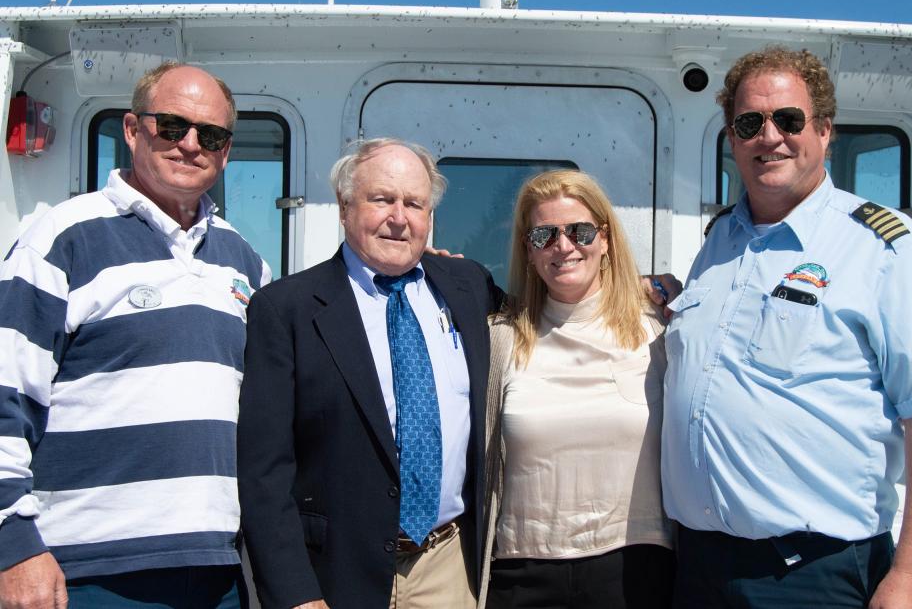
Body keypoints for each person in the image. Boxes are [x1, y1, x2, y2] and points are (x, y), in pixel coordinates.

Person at [662, 45, 912, 608]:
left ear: (824, 131)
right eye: (750, 123)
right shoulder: (719, 241)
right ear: (732, 138)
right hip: (698, 567)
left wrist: (911, 574)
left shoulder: (878, 244)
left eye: (788, 119)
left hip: (809, 574)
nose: (769, 136)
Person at [0, 62, 269, 608]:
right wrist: (12, 543)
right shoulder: (61, 239)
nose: (190, 145)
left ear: (226, 150)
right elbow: (6, 394)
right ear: (131, 129)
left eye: (210, 135)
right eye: (171, 126)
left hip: (218, 570)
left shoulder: (245, 263)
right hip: (88, 574)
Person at [237, 138, 503, 609]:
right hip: (336, 578)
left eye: (414, 203)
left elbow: (547, 314)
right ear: (344, 208)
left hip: (448, 568)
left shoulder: (469, 286)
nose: (399, 217)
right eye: (382, 199)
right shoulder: (287, 310)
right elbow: (264, 470)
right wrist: (295, 593)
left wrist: (642, 290)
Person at [479, 170, 675, 609]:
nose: (563, 246)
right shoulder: (502, 339)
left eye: (580, 231)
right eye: (544, 235)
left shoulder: (657, 334)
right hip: (522, 572)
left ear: (605, 239)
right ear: (527, 251)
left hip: (636, 567)